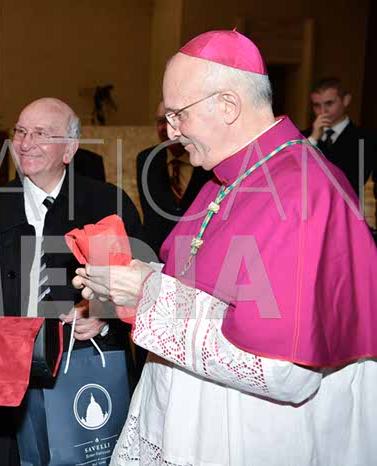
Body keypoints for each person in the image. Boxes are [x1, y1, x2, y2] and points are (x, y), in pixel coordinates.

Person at [74, 30, 377, 466]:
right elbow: (203, 286)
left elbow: (283, 370)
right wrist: (131, 282)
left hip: (243, 436)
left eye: (178, 114)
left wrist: (146, 296)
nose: (170, 132)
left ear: (229, 105)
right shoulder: (226, 178)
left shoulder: (302, 192)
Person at [0, 97, 143, 465]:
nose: (25, 143)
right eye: (21, 132)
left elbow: (141, 287)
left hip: (82, 373)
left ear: (69, 148)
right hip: (3, 379)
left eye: (41, 134)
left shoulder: (107, 205)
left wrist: (103, 315)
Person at [136, 101, 210, 255]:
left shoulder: (208, 160)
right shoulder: (146, 160)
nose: (166, 128)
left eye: (172, 120)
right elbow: (150, 215)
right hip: (156, 255)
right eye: (161, 121)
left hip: (199, 251)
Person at [302, 77, 376, 200]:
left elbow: (352, 180)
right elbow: (293, 174)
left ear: (346, 100)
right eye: (317, 105)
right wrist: (313, 140)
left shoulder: (367, 139)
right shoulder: (303, 137)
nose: (323, 111)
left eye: (329, 103)